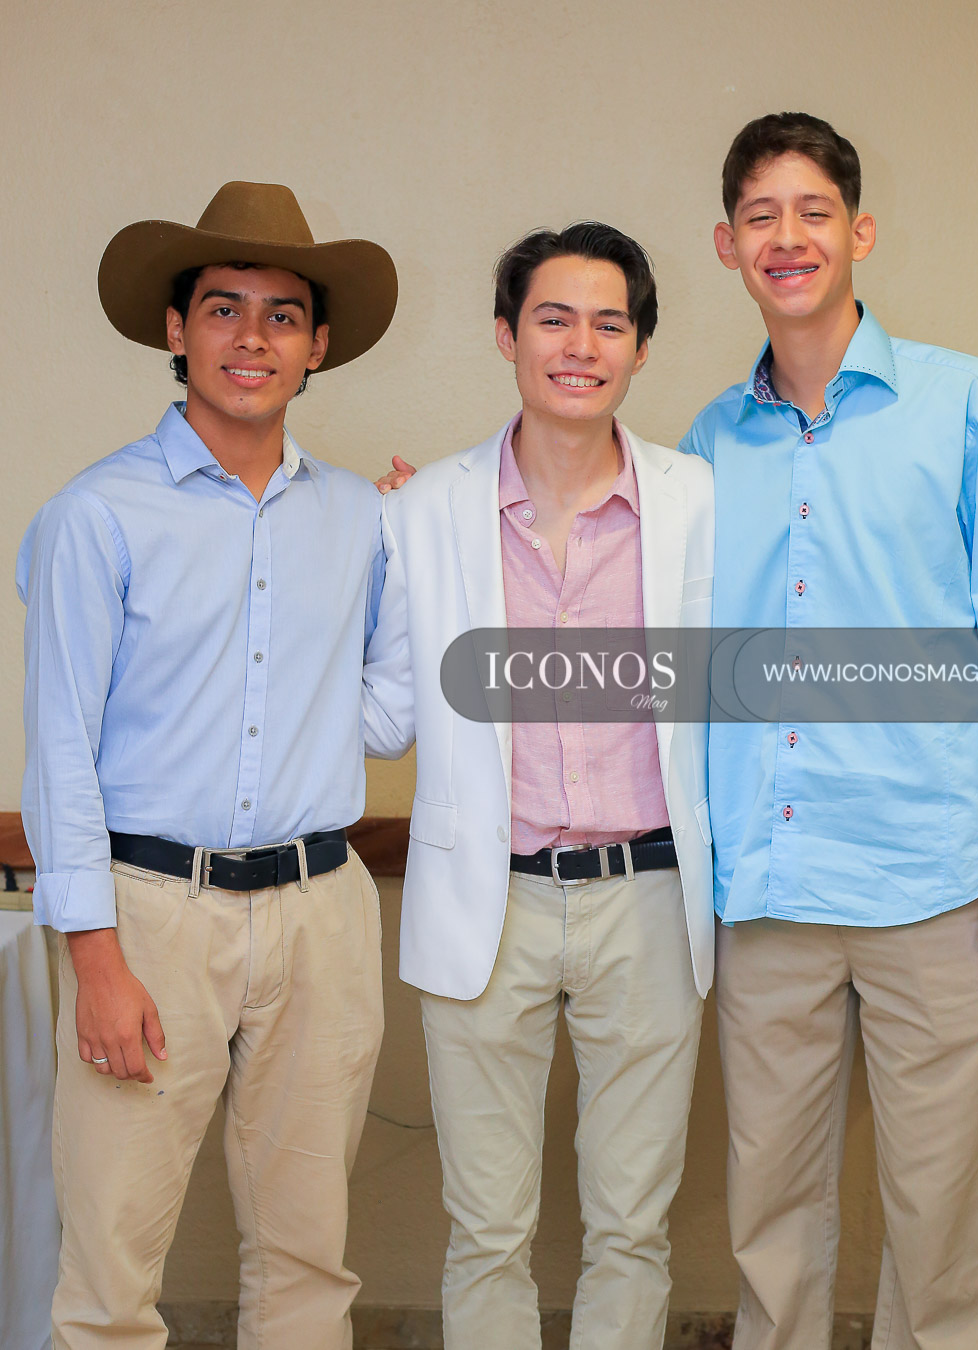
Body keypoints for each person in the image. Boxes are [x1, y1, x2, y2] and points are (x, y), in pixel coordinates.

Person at [679, 112, 978, 1350]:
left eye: (813, 211)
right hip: (770, 882)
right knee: (769, 1218)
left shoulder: (965, 402)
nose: (786, 237)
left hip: (937, 879)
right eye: (760, 215)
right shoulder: (707, 442)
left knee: (939, 1216)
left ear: (860, 232)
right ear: (727, 245)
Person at [17, 180, 397, 1350]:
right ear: (176, 329)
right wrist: (94, 959)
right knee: (112, 1271)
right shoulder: (95, 516)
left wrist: (437, 545)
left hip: (321, 913)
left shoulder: (361, 518)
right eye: (223, 308)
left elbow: (387, 717)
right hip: (149, 916)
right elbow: (60, 750)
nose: (252, 337)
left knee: (308, 1260)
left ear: (317, 345)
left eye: (283, 315)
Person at [362, 222, 715, 1350]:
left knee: (633, 1229)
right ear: (506, 335)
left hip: (649, 893)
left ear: (641, 348)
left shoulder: (700, 501)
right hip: (488, 896)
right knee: (487, 1232)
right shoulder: (420, 511)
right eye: (553, 319)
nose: (580, 346)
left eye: (609, 324)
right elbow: (384, 712)